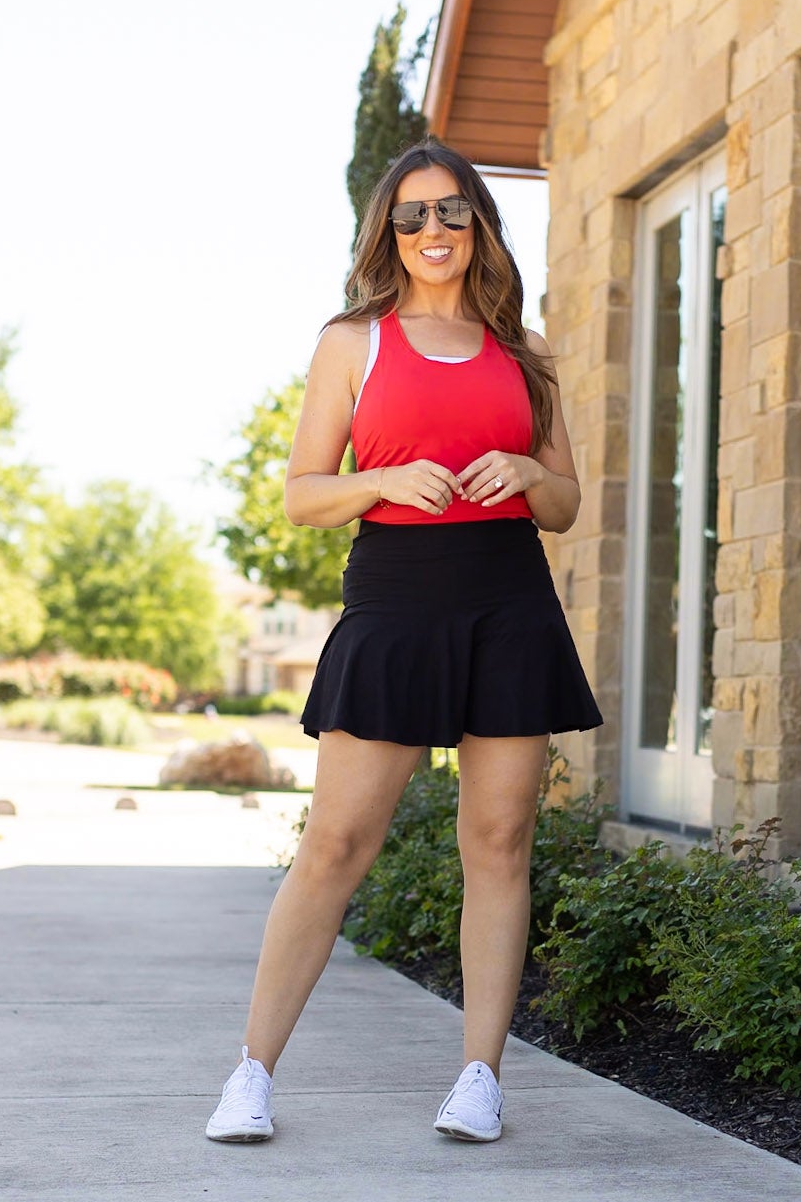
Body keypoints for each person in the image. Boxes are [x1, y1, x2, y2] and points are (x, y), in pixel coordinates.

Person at [205, 141, 602, 1146]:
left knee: (499, 843)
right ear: (387, 229)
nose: (434, 229)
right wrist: (381, 480)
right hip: (393, 599)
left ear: (479, 227)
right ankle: (251, 1074)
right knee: (336, 843)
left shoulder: (528, 352)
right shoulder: (353, 342)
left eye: (452, 211)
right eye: (414, 213)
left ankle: (480, 1077)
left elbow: (565, 504)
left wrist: (526, 470)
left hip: (508, 601)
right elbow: (301, 495)